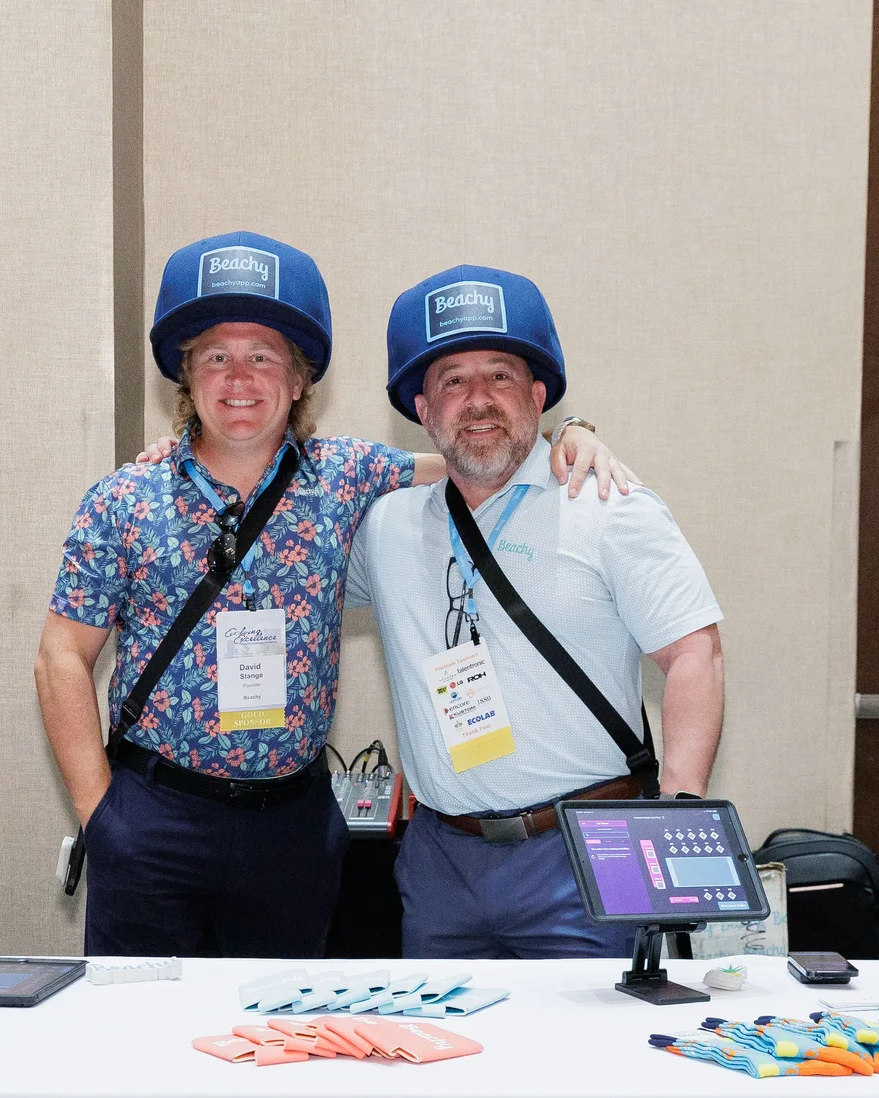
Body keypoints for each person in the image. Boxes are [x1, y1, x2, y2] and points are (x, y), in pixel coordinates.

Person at [36, 233, 633, 956]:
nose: (239, 378)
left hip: (290, 833)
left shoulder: (345, 476)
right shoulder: (123, 498)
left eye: (263, 358)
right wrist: (100, 814)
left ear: (298, 381)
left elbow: (474, 458)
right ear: (186, 379)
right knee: (144, 1049)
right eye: (216, 358)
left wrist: (568, 436)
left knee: (280, 1046)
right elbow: (61, 657)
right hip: (154, 820)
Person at [348, 265, 726, 958]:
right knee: (441, 1060)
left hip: (583, 855)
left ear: (539, 394)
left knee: (583, 1065)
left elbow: (694, 653)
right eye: (452, 381)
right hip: (440, 865)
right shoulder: (386, 528)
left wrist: (678, 811)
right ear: (423, 412)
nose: (479, 399)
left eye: (501, 375)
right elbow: (282, 538)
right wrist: (188, 454)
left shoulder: (609, 505)